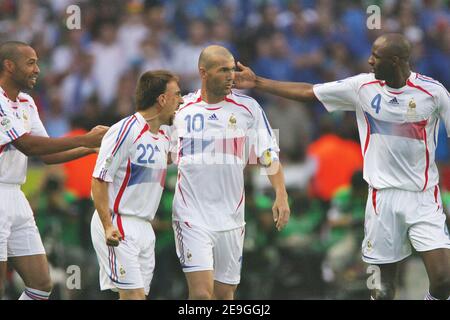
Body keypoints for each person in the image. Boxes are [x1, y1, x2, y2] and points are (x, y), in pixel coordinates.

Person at [234, 33, 450, 300]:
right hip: (381, 198)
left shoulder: (434, 93)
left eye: (376, 57)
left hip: (423, 197)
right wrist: (258, 82)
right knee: (382, 290)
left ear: (395, 61)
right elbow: (308, 91)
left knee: (443, 280)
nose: (369, 61)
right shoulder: (362, 88)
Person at [171, 45, 290, 300]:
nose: (231, 76)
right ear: (203, 73)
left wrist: (281, 194)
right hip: (191, 215)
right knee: (202, 295)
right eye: (223, 70)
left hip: (231, 217)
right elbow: (162, 154)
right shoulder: (181, 110)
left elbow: (268, 155)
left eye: (233, 69)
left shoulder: (249, 108)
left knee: (225, 295)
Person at [0, 41, 107, 300]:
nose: (37, 69)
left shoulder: (26, 102)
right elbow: (28, 145)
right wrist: (85, 139)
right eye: (31, 63)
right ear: (9, 65)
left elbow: (48, 154)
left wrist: (93, 149)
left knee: (41, 284)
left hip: (16, 196)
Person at [90, 70, 183, 300]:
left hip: (145, 226)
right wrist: (107, 225)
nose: (180, 101)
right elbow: (99, 179)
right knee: (134, 296)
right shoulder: (125, 130)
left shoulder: (163, 136)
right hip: (118, 222)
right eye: (177, 95)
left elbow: (175, 155)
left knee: (135, 296)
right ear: (162, 99)